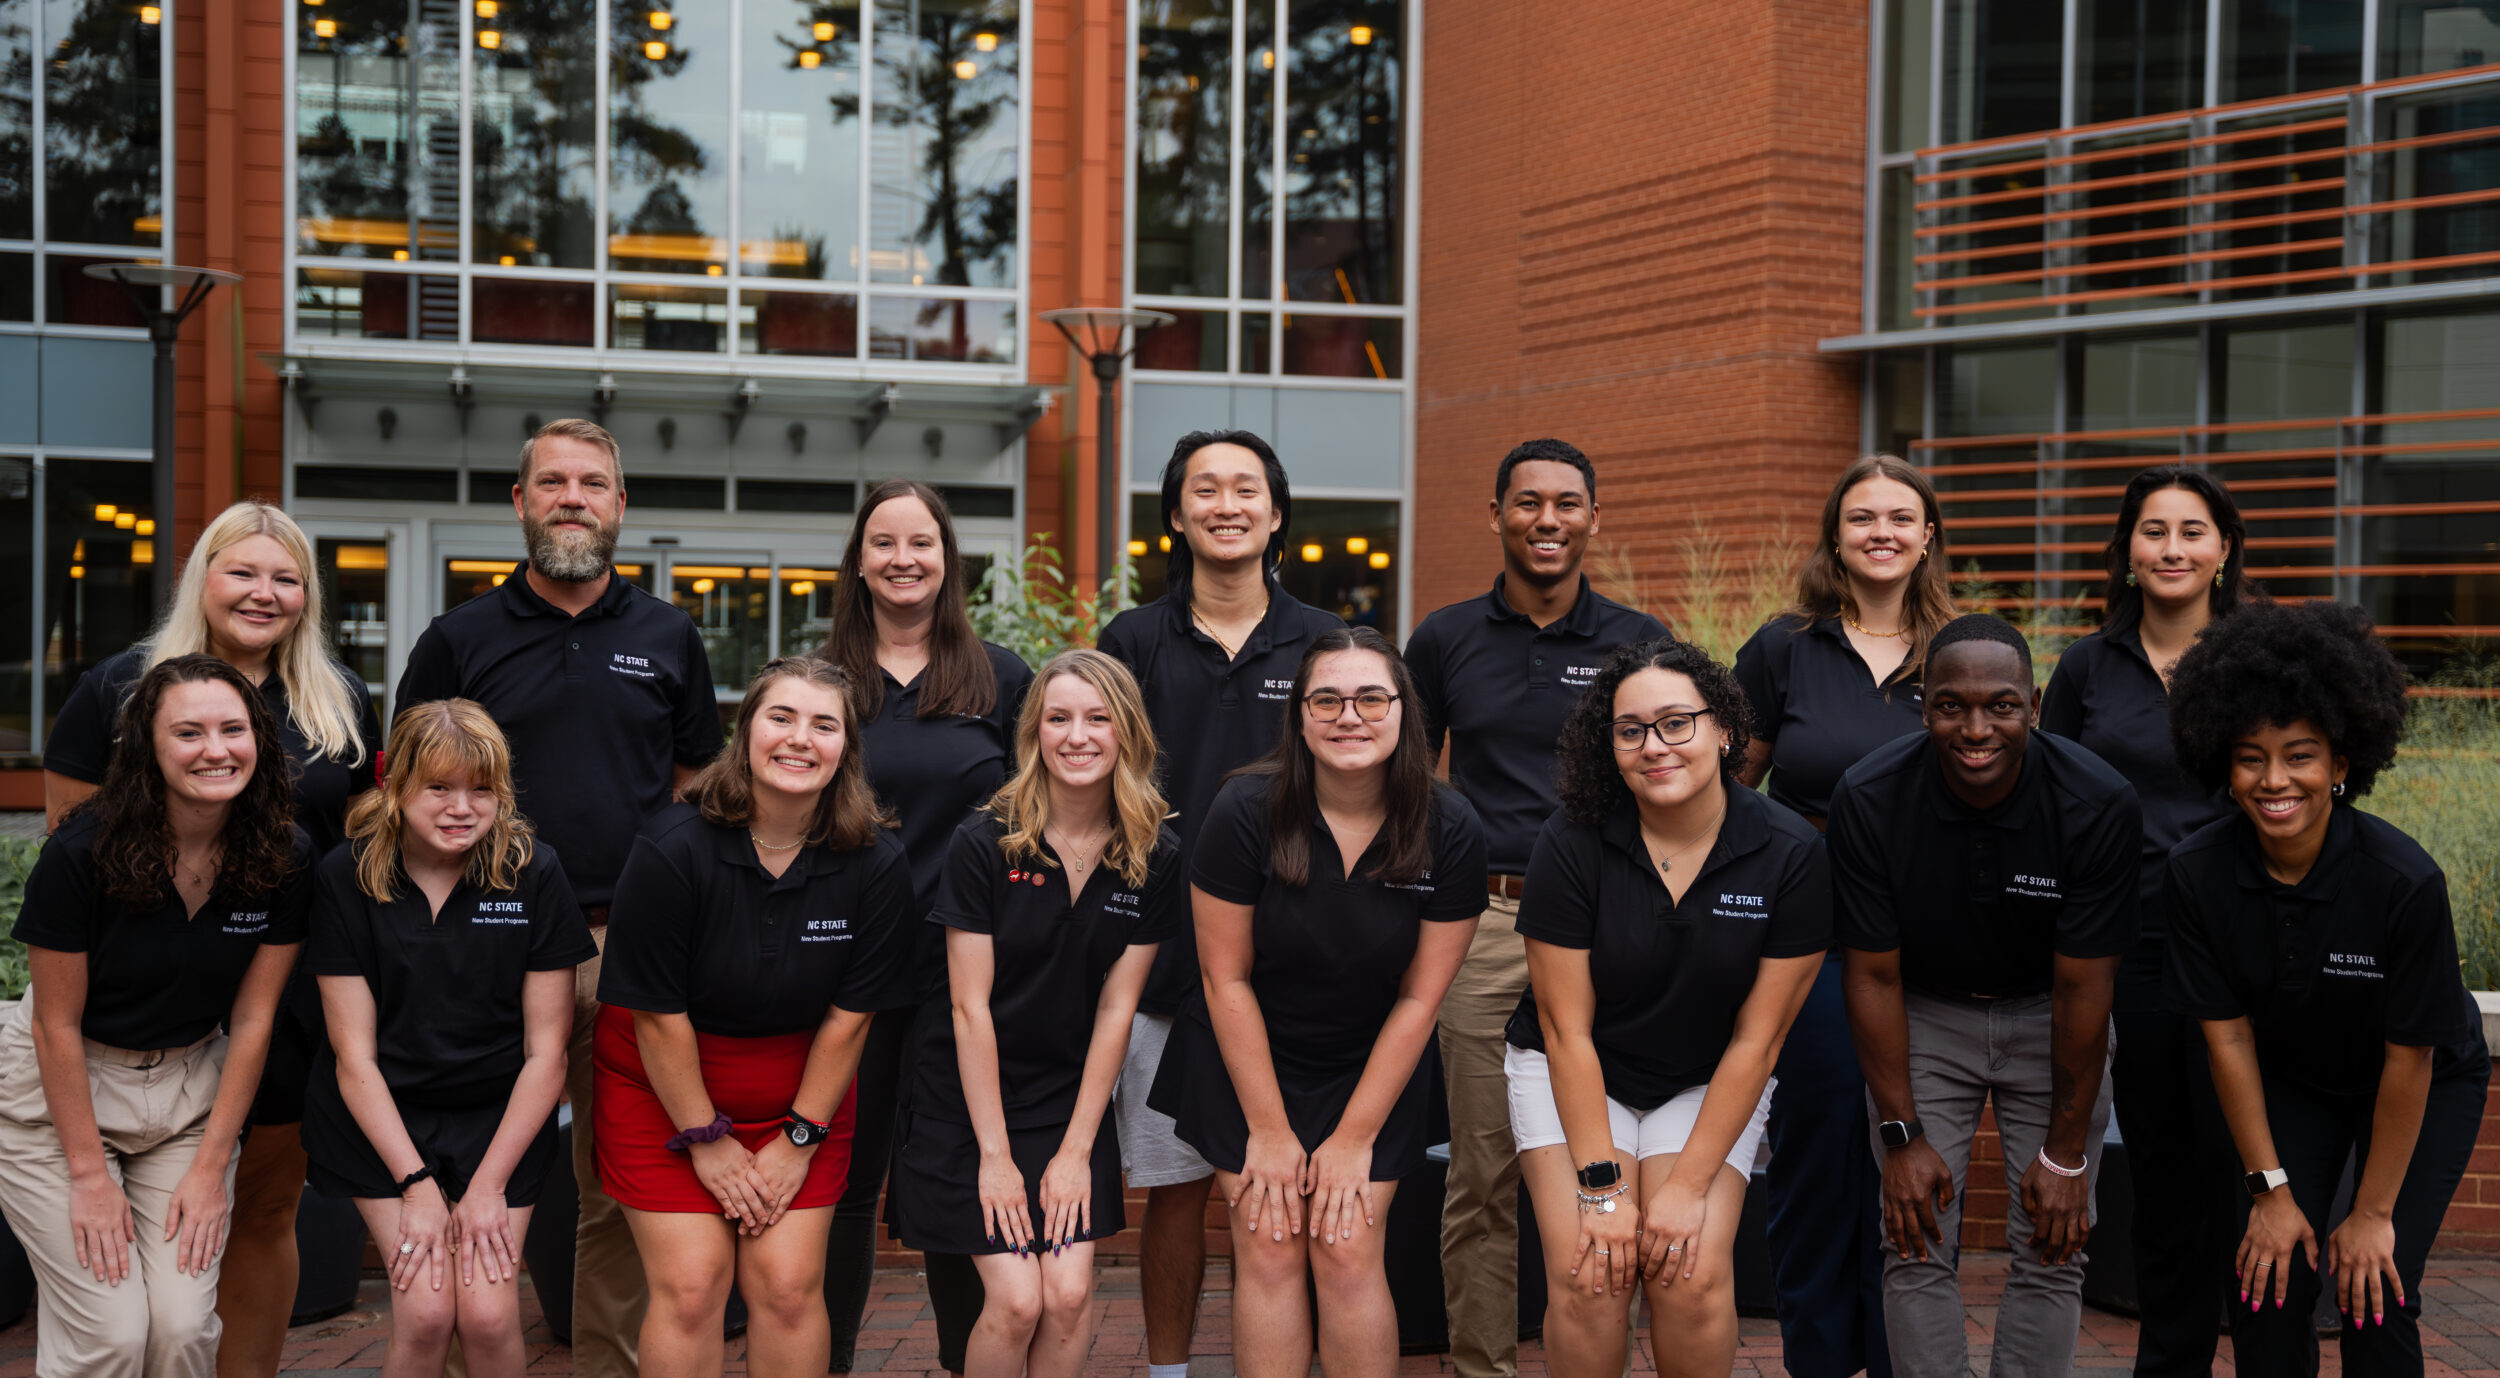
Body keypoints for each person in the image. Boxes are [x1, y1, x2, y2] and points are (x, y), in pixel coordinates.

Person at [395, 418, 723, 1378]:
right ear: (520, 502)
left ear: (621, 505)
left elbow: (695, 784)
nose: (571, 497)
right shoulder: (459, 638)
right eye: (552, 482)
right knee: (470, 1172)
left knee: (620, 1186)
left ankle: (610, 1366)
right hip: (491, 945)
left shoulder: (668, 635)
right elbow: (400, 792)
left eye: (591, 483)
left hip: (630, 953)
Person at [41, 499, 382, 1378]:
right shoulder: (118, 688)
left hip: (286, 1000)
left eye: (286, 577)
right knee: (124, 1251)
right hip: (141, 1016)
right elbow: (71, 857)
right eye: (244, 570)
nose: (264, 593)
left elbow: (354, 850)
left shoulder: (337, 701)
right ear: (203, 576)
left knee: (262, 1211)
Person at [1149, 626, 1488, 1378]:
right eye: (1326, 699)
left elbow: (1420, 996)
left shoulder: (1450, 826)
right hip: (1247, 1050)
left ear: (1405, 711)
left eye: (1372, 697)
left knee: (1346, 1243)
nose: (1349, 715)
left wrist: (1353, 1137)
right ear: (1299, 716)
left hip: (1373, 1058)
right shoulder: (1245, 810)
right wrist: (1268, 1132)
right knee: (1268, 1243)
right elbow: (1224, 978)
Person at [2163, 601, 2487, 1376]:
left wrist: (2371, 1214)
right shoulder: (2198, 873)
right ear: (2222, 762)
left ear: (2342, 764)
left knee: (2375, 1287)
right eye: (2250, 757)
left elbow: (2409, 1060)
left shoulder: (2402, 882)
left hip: (2421, 1080)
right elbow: (2229, 1038)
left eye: (2300, 755)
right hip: (2296, 1079)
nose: (2275, 780)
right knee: (2267, 1285)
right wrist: (2271, 1195)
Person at [1401, 438, 1667, 1378]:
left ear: (1595, 518)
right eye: (1526, 503)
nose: (1545, 521)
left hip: (1610, 927)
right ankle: (1482, 1367)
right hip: (1487, 925)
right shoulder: (1442, 638)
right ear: (1496, 516)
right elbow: (1405, 784)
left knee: (1615, 1164)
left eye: (1565, 504)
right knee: (1483, 1172)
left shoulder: (1641, 643)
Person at [1095, 428, 1343, 1378]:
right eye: (1206, 489)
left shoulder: (1325, 642)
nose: (1226, 504)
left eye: (1247, 489)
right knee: (1172, 1184)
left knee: (1276, 1190)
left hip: (1290, 953)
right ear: (1176, 514)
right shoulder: (1132, 641)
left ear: (1276, 515)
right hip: (1158, 951)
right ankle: (1167, 1369)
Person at [1509, 636, 1825, 1378]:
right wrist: (1603, 1190)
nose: (1655, 746)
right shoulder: (1572, 840)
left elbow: (1760, 1039)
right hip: (1578, 1070)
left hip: (1707, 1077)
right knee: (1594, 1273)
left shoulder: (1788, 852)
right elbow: (1565, 1028)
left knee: (1689, 1274)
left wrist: (1684, 1192)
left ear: (1722, 729)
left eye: (1676, 722)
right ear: (1609, 744)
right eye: (1631, 730)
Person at [1832, 614, 2137, 1378]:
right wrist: (1901, 1138)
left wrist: (2067, 1157)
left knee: (2056, 1240)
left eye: (2001, 705)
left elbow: (2084, 985)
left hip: (2051, 1016)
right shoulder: (1870, 798)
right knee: (1914, 1235)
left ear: (2034, 706)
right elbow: (1871, 974)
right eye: (1951, 705)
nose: (1976, 727)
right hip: (1925, 1015)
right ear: (1922, 705)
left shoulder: (2095, 801)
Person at [593, 655, 915, 1378]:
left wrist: (800, 1138)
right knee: (692, 1287)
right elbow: (656, 1018)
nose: (801, 739)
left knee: (790, 1288)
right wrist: (705, 1140)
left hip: (804, 1089)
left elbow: (850, 1020)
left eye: (824, 725)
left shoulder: (876, 863)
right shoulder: (671, 851)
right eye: (782, 717)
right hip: (664, 1086)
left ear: (847, 750)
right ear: (745, 736)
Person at [0, 655, 313, 1378]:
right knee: (110, 1338)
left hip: (183, 1098)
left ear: (259, 740)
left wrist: (211, 1167)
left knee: (180, 1330)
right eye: (189, 732)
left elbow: (256, 1018)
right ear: (149, 744)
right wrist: (87, 1176)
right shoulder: (83, 850)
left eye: (234, 729)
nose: (216, 749)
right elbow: (55, 1026)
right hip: (57, 1102)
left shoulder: (282, 855)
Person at [890, 650, 1182, 1378]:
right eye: (1058, 718)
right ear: (1034, 733)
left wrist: (1078, 1152)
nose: (1076, 736)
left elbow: (1119, 1006)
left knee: (1071, 1292)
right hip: (966, 1097)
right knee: (1019, 1300)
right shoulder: (985, 840)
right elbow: (968, 1008)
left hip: (1065, 1094)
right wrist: (994, 1159)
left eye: (1097, 718)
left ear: (1127, 734)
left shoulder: (1153, 850)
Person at [1732, 453, 1954, 1378]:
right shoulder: (1784, 648)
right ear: (1836, 536)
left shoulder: (1964, 649)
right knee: (1821, 1150)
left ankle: (1902, 1355)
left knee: (1909, 1152)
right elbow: (1729, 785)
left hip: (1928, 935)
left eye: (1901, 518)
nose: (1882, 533)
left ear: (1928, 536)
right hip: (1811, 936)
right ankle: (1819, 1357)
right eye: (1862, 518)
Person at [300, 697, 596, 1378]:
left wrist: (488, 1185)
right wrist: (415, 1185)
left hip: (499, 1117)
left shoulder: (532, 871)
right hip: (383, 1121)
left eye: (482, 789)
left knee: (491, 1320)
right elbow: (355, 1057)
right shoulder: (347, 876)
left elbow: (546, 1052)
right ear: (397, 785)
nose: (462, 807)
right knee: (429, 1316)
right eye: (439, 787)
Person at [2040, 466, 2257, 1377]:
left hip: (2244, 935)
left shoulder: (2260, 656)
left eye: (2193, 531)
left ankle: (2268, 1352)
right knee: (2164, 1172)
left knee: (2246, 1165)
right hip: (2126, 938)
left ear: (2224, 550)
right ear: (2127, 550)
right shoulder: (2088, 666)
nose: (2173, 548)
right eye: (2154, 531)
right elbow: (2044, 799)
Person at [818, 480, 1032, 1375]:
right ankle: (821, 1358)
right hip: (842, 971)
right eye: (884, 542)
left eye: (923, 543)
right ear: (858, 560)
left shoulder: (1003, 677)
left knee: (951, 1179)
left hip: (964, 977)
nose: (903, 559)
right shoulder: (822, 682)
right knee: (842, 1184)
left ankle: (962, 1360)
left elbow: (1038, 816)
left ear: (949, 560)